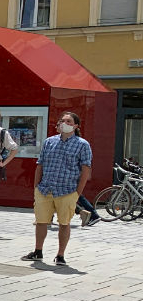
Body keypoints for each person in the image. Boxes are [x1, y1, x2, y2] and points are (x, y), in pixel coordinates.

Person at [23, 111, 92, 267]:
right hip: (45, 189)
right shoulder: (49, 142)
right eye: (62, 121)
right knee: (41, 222)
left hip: (67, 190)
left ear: (75, 126)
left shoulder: (82, 144)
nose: (64, 123)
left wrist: (78, 192)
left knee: (64, 223)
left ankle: (60, 255)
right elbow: (40, 165)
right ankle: (38, 251)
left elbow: (85, 169)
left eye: (68, 121)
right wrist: (36, 187)